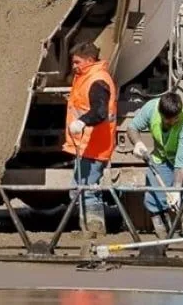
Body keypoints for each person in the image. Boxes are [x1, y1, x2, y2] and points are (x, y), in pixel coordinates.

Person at [127, 92, 183, 238]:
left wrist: (176, 190)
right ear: (160, 112)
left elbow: (182, 161)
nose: (173, 122)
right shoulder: (151, 108)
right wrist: (137, 143)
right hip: (163, 154)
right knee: (154, 194)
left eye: (176, 118)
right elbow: (132, 127)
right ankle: (162, 229)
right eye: (169, 120)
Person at [62, 42, 117, 236]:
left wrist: (82, 122)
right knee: (79, 189)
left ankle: (94, 230)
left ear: (90, 60)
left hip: (95, 146)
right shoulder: (86, 77)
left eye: (77, 62)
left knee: (88, 190)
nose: (74, 66)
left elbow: (100, 112)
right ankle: (88, 228)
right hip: (87, 145)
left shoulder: (97, 81)